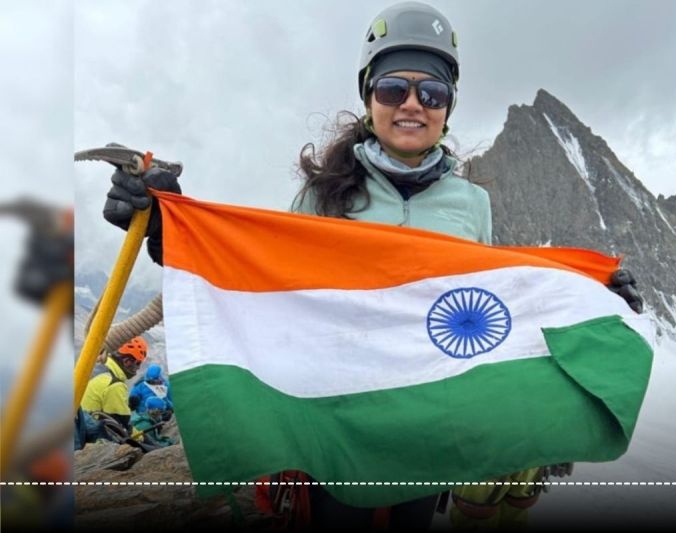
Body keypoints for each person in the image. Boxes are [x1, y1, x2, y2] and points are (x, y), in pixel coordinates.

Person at [100, 2, 643, 528]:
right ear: (368, 97)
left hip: (430, 427)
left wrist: (592, 295)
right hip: (337, 422)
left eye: (432, 93)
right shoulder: (322, 195)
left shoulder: (472, 205)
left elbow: (489, 307)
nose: (413, 104)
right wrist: (169, 230)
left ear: (448, 107)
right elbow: (265, 285)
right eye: (393, 88)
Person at [80, 336, 148, 431]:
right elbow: (122, 426)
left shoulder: (96, 367)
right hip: (87, 434)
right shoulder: (115, 385)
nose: (138, 368)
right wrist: (142, 437)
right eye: (138, 363)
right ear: (127, 361)